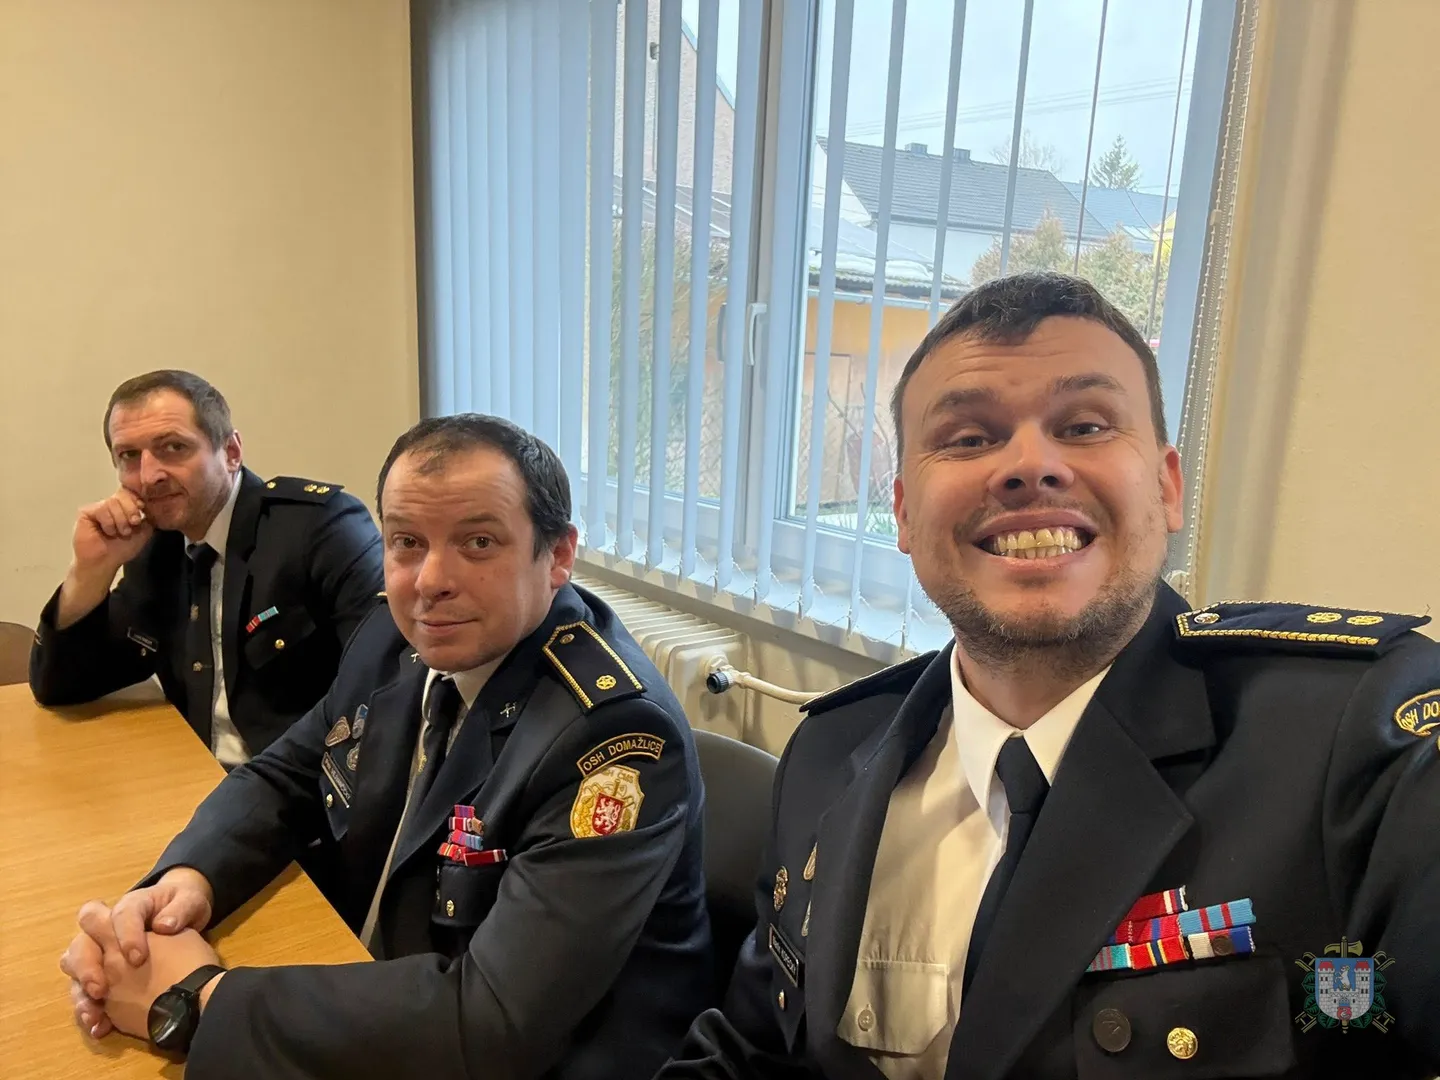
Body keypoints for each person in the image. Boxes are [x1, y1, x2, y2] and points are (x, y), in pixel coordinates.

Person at [658, 272, 1440, 1079]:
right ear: (903, 512)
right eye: (968, 438)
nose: (1031, 465)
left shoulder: (1360, 743)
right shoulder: (829, 753)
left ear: (1167, 486)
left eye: (1085, 425)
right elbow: (753, 1053)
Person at [60, 414, 711, 1080]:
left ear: (559, 556)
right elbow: (288, 773)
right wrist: (183, 884)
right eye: (406, 541)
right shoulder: (394, 635)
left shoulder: (613, 738)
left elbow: (493, 1022)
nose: (430, 580)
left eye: (478, 542)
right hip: (389, 992)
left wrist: (203, 998)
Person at [29, 369, 384, 765]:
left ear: (231, 452)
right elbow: (60, 686)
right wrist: (91, 570)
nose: (149, 476)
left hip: (297, 783)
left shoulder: (319, 529)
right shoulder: (156, 547)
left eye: (173, 447)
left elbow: (386, 682)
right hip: (194, 773)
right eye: (129, 455)